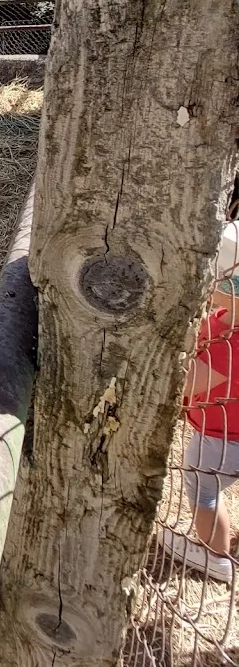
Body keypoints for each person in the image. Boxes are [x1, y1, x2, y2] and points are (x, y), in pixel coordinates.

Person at [160, 220, 239, 585]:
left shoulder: (228, 345)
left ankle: (215, 555)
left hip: (221, 440)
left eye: (217, 288)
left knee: (201, 487)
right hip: (229, 431)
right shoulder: (229, 323)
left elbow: (185, 383)